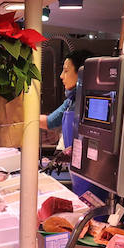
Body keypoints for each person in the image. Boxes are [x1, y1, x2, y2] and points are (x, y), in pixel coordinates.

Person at [37, 50, 102, 202]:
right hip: (77, 170)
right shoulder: (71, 101)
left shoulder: (94, 101)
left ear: (81, 73)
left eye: (66, 71)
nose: (61, 76)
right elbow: (49, 121)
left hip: (93, 174)